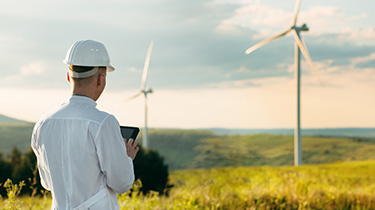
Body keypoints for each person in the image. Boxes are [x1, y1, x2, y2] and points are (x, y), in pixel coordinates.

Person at [31, 39, 139, 210]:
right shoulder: (103, 123)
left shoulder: (43, 123)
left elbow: (47, 183)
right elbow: (121, 183)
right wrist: (125, 159)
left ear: (69, 76)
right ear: (101, 78)